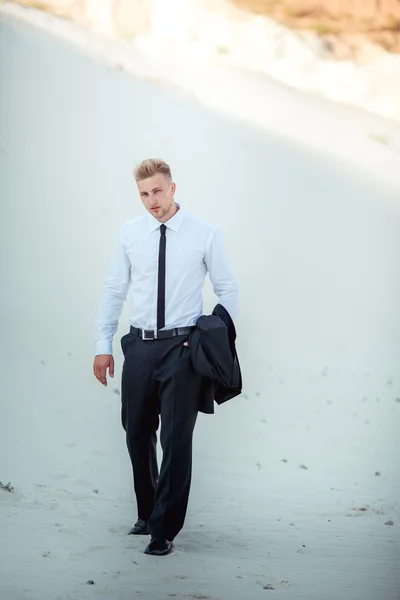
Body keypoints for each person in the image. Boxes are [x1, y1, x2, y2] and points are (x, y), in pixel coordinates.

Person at [93, 158, 239, 556]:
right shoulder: (129, 234)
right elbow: (113, 290)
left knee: (176, 440)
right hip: (139, 346)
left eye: (157, 191)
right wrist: (102, 345)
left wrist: (210, 337)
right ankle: (146, 510)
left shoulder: (205, 233)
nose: (151, 200)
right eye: (143, 193)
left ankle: (164, 529)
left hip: (183, 349)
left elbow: (229, 292)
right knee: (137, 432)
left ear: (173, 188)